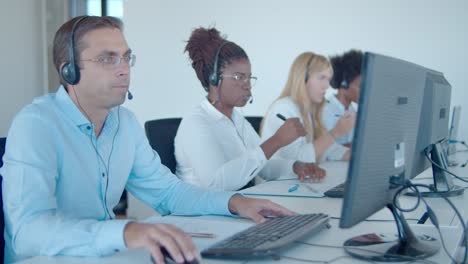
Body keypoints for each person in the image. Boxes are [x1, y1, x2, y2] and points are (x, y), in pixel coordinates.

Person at [0, 16, 296, 264]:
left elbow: (169, 194)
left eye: (126, 57)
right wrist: (123, 232)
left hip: (101, 255)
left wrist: (235, 203)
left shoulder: (125, 124)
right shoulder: (36, 125)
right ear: (69, 70)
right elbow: (28, 233)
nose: (124, 68)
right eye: (107, 59)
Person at [174, 27, 325, 191]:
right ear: (214, 78)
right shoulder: (196, 123)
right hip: (201, 214)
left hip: (237, 207)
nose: (247, 86)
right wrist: (276, 141)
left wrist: (295, 167)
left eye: (248, 77)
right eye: (239, 77)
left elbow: (262, 166)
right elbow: (217, 184)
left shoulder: (237, 120)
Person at [261, 52, 356, 163]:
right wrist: (335, 132)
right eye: (321, 78)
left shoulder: (310, 110)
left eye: (328, 80)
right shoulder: (284, 109)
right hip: (278, 180)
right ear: (303, 78)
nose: (327, 86)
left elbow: (327, 149)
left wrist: (351, 154)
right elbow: (297, 159)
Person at [322, 50, 363, 147]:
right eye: (361, 86)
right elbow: (323, 148)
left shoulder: (352, 110)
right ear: (344, 84)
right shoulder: (324, 111)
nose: (365, 91)